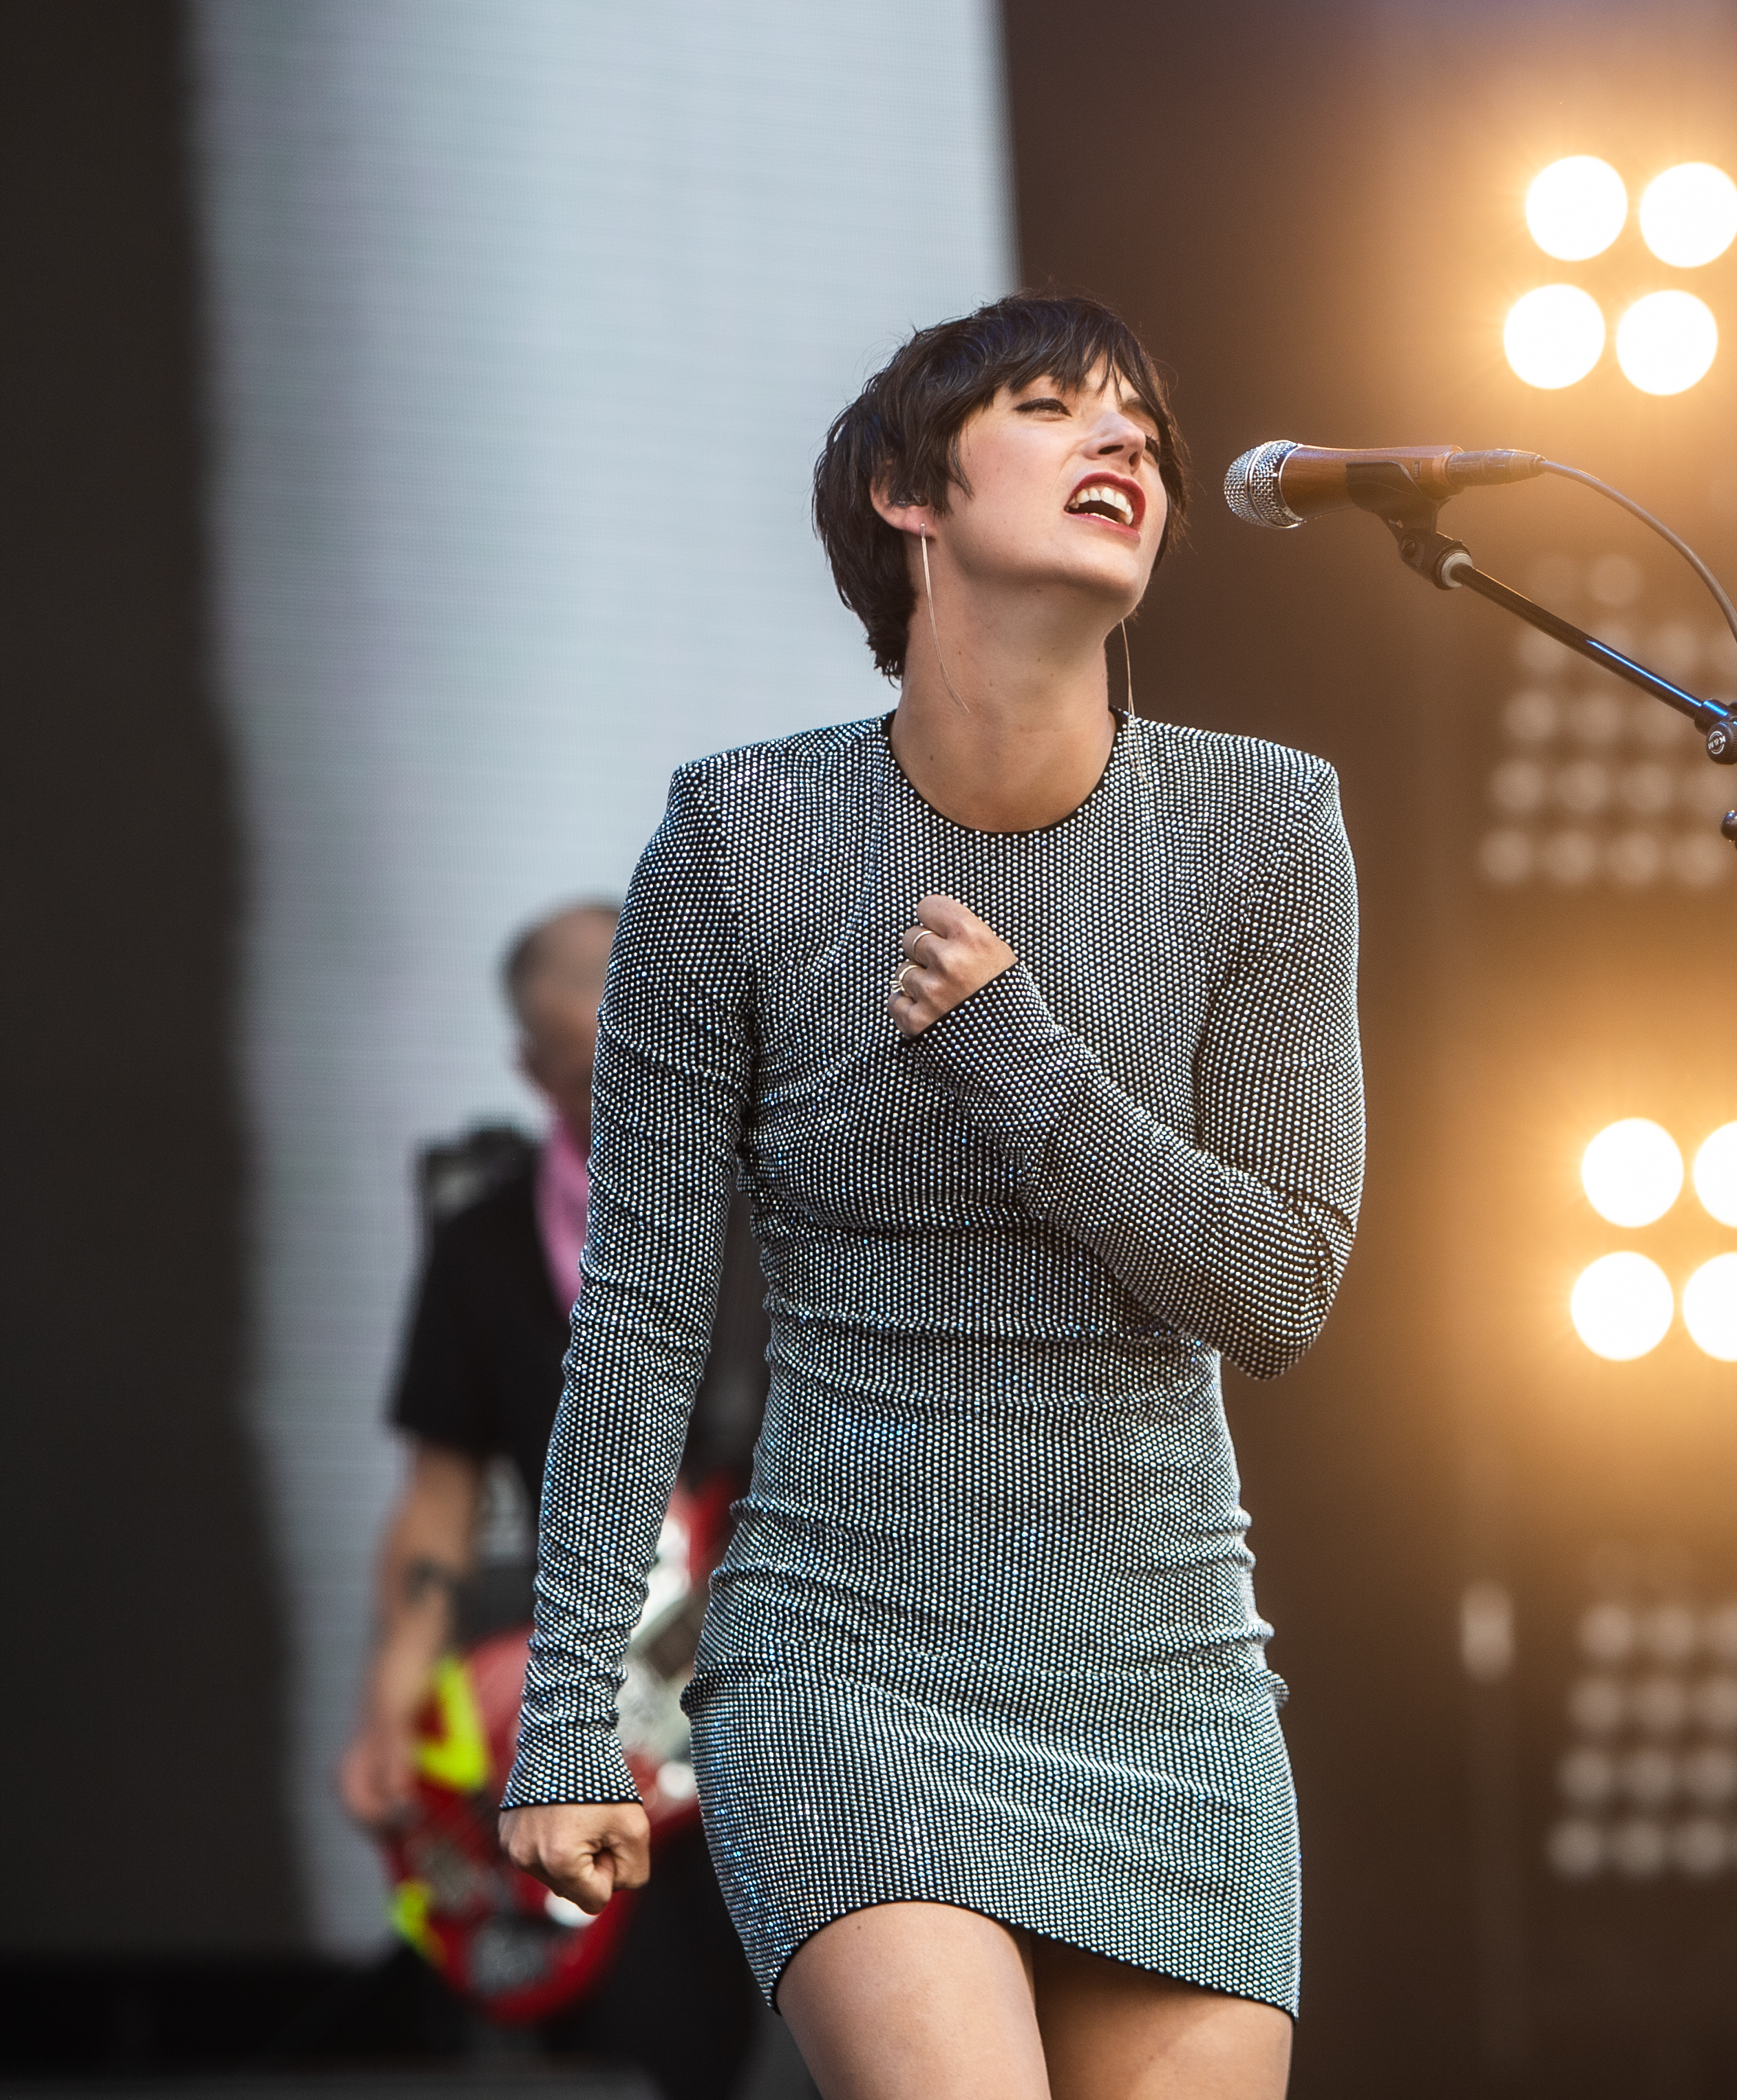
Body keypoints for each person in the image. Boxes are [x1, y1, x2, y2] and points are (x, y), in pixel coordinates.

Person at [497, 293, 1366, 2100]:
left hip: (1169, 1680)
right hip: (850, 1663)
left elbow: (1279, 1289)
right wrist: (569, 1715)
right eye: (1058, 410)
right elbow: (643, 1316)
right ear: (910, 491)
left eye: (1144, 425)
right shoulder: (743, 841)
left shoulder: (1262, 827)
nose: (1123, 441)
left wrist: (1025, 1070)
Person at [345, 900, 768, 2100]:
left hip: (805, 1686)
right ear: (531, 1069)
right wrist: (391, 1709)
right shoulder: (485, 1240)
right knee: (652, 2055)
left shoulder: (791, 1209)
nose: (629, 1094)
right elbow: (438, 1498)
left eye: (651, 1050)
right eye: (589, 1071)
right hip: (599, 1716)